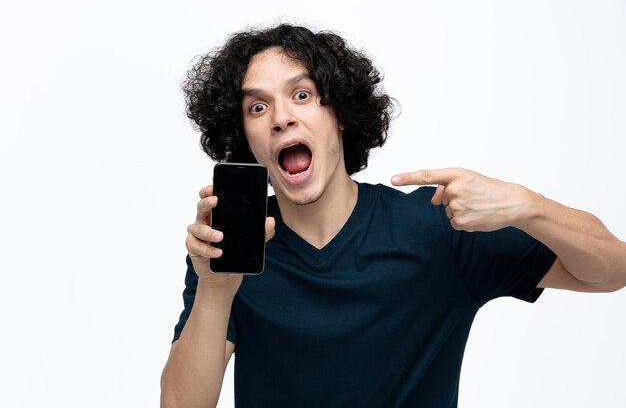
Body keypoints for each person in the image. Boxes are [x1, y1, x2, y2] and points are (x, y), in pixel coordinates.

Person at [160, 23, 626, 408]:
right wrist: (216, 290)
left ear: (338, 114)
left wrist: (528, 207)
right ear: (246, 138)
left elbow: (612, 270)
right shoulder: (233, 250)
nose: (281, 118)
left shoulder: (436, 228)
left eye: (301, 95)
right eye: (257, 107)